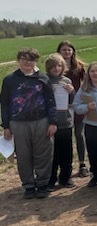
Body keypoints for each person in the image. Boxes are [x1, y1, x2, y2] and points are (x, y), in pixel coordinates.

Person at [1, 47, 57, 199]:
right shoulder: (9, 80)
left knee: (43, 154)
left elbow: (51, 101)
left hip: (41, 121)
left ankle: (42, 184)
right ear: (18, 60)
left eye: (31, 59)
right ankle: (29, 186)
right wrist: (6, 126)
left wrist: (53, 122)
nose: (27, 62)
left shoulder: (43, 78)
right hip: (18, 124)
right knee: (23, 155)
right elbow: (4, 104)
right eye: (24, 59)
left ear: (35, 62)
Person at [57, 40, 88, 177]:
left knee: (80, 135)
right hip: (62, 107)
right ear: (59, 52)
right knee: (65, 137)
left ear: (73, 52)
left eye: (69, 50)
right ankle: (64, 166)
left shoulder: (79, 67)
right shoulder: (55, 66)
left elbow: (87, 82)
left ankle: (82, 163)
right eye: (64, 50)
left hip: (76, 105)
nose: (67, 52)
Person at [45, 53, 76, 190]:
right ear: (48, 68)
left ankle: (65, 178)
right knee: (52, 154)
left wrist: (72, 92)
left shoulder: (67, 81)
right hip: (50, 123)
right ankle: (50, 179)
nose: (56, 68)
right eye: (53, 66)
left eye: (59, 65)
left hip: (65, 121)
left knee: (66, 152)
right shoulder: (44, 81)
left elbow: (72, 102)